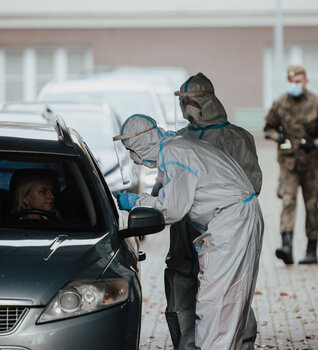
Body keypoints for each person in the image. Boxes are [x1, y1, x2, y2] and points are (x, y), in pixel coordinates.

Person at [114, 114, 264, 350]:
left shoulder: (175, 154)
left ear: (142, 142)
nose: (134, 158)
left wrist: (136, 202)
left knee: (216, 304)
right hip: (232, 221)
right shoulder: (175, 147)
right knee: (225, 303)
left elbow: (171, 210)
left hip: (231, 224)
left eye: (131, 149)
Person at [157, 72, 262, 350]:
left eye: (191, 100)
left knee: (228, 304)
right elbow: (165, 190)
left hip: (223, 237)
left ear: (207, 100)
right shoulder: (178, 140)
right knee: (183, 306)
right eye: (183, 100)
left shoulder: (236, 137)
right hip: (184, 243)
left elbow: (250, 185)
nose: (186, 106)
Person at [264, 65, 318, 265]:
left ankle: (312, 247)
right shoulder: (280, 103)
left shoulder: (315, 103)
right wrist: (278, 138)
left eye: (298, 81)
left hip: (312, 163)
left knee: (313, 205)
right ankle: (286, 245)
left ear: (305, 81)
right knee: (288, 201)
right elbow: (268, 128)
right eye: (292, 82)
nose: (295, 85)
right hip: (288, 162)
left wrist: (314, 143)